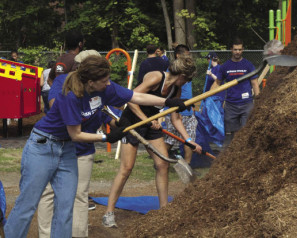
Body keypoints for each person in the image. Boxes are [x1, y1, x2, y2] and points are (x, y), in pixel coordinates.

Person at [4, 55, 187, 238]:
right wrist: (106, 137)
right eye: (104, 80)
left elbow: (135, 96)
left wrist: (166, 102)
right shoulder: (70, 95)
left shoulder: (104, 88)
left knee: (66, 206)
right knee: (28, 204)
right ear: (90, 82)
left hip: (67, 148)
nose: (109, 84)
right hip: (43, 145)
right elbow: (75, 134)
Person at [102, 55, 203, 228]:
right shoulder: (156, 77)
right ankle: (108, 213)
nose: (187, 83)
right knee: (126, 168)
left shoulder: (175, 90)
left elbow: (175, 118)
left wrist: (188, 140)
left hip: (151, 125)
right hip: (133, 121)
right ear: (181, 75)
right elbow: (132, 99)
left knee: (163, 164)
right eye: (187, 79)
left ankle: (164, 211)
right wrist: (147, 120)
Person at [37, 50, 110, 238]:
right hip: (57, 146)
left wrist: (115, 122)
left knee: (80, 195)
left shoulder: (101, 86)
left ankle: (78, 235)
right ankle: (46, 235)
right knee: (49, 193)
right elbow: (55, 107)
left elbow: (104, 110)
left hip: (83, 150)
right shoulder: (63, 82)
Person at [211, 37, 260, 147]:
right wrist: (207, 96)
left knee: (246, 131)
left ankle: (245, 155)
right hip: (231, 105)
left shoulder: (248, 65)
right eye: (235, 49)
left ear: (242, 50)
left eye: (240, 49)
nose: (238, 52)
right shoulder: (225, 66)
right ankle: (231, 156)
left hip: (246, 104)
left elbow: (255, 83)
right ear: (231, 50)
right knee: (231, 133)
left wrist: (259, 100)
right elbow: (218, 82)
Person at [164, 44, 198, 164]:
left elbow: (188, 91)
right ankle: (161, 160)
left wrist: (191, 105)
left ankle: (187, 167)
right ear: (178, 56)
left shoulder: (186, 74)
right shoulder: (170, 74)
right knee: (171, 140)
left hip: (186, 110)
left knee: (190, 139)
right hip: (174, 110)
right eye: (186, 56)